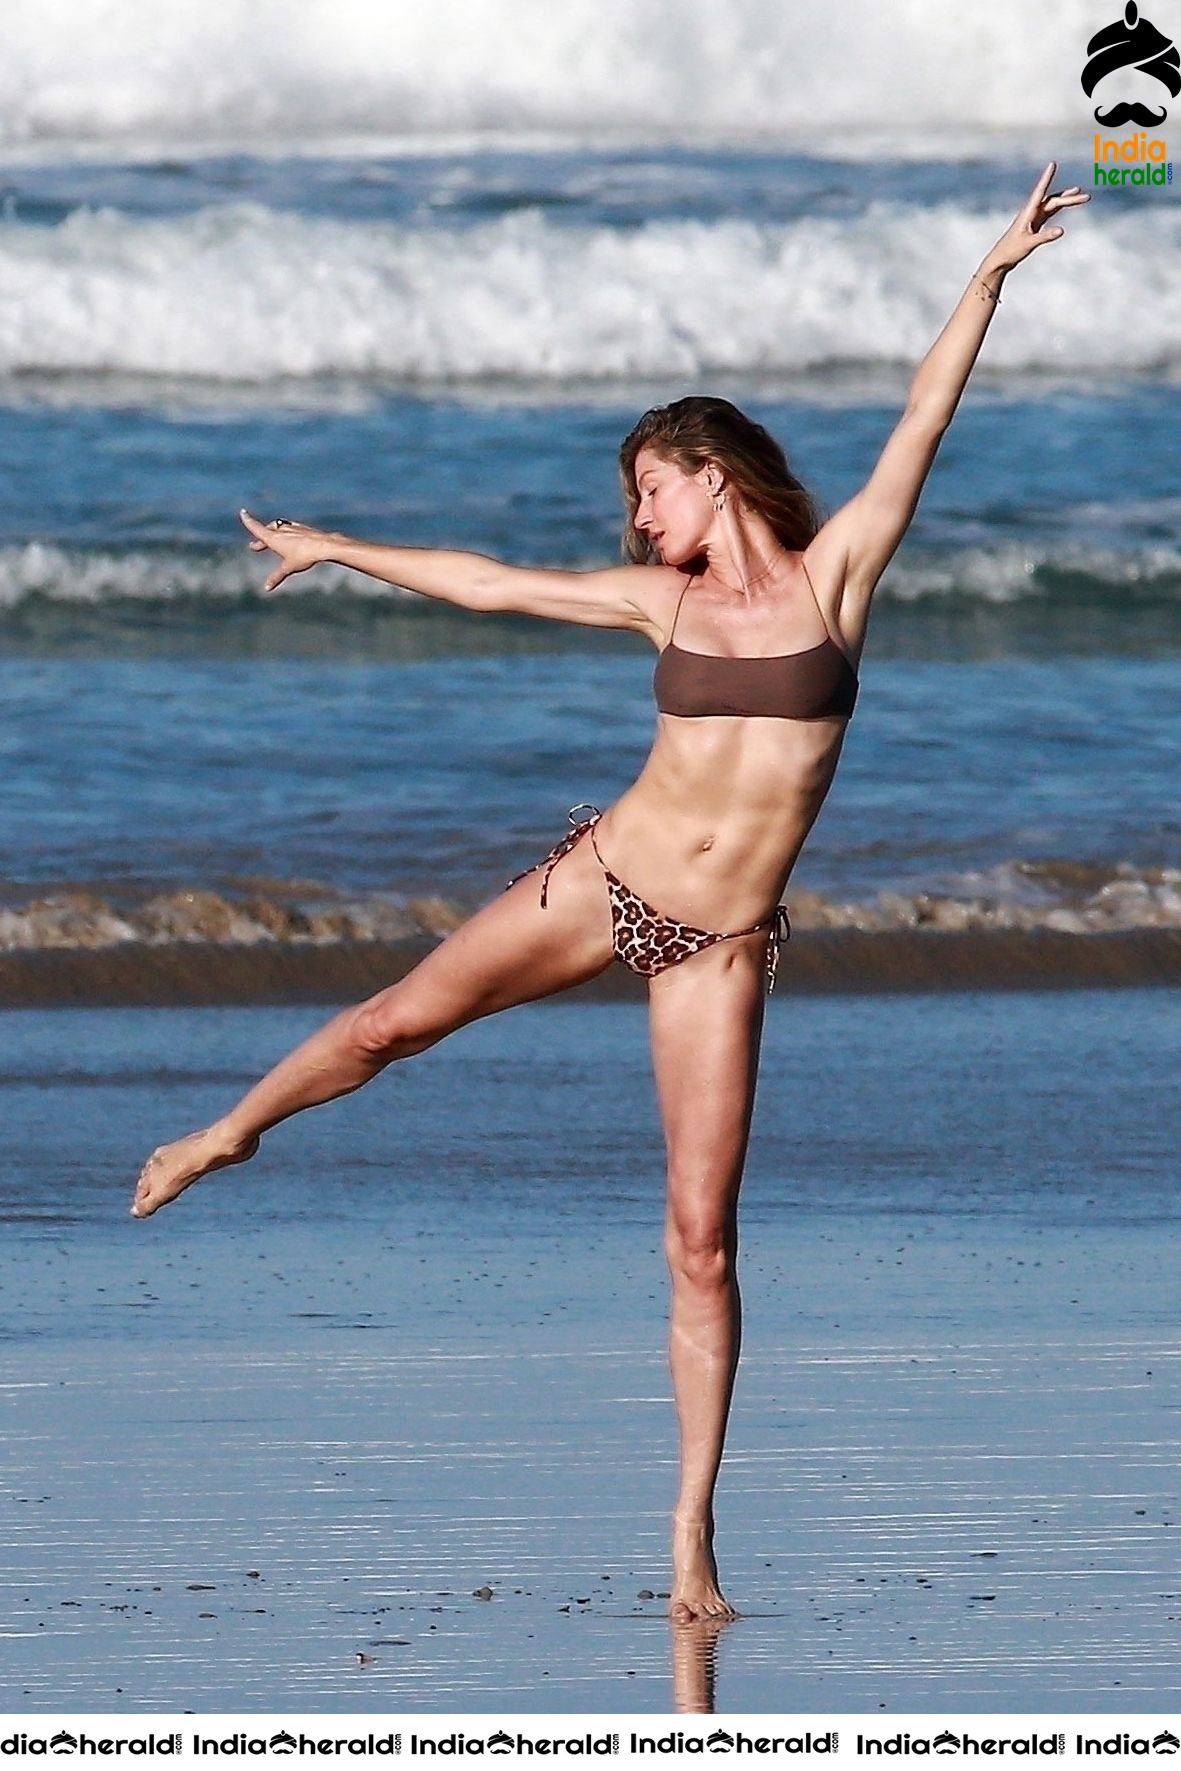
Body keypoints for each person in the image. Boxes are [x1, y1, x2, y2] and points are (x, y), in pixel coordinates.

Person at [132, 164, 1088, 1624]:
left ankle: (690, 1535)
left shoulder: (838, 580)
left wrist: (988, 274)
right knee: (395, 1024)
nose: (639, 525)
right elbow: (490, 584)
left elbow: (920, 424)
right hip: (607, 879)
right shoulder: (662, 602)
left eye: (649, 492)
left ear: (711, 472)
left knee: (699, 1240)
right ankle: (228, 1132)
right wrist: (338, 547)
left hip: (719, 950)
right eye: (633, 507)